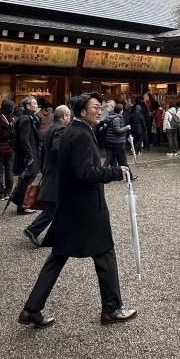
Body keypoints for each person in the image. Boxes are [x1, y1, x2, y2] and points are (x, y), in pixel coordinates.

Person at [19, 93, 135, 328]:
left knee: (58, 257)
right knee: (104, 254)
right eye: (95, 107)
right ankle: (111, 309)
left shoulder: (74, 131)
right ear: (82, 111)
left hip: (70, 206)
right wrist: (115, 171)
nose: (99, 110)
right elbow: (85, 172)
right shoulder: (81, 134)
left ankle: (32, 308)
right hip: (87, 208)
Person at [24, 104, 71, 246]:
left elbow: (44, 150)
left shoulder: (50, 128)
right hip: (56, 173)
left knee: (56, 206)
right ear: (64, 116)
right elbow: (58, 148)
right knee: (54, 207)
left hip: (49, 170)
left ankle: (57, 234)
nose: (70, 117)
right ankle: (33, 229)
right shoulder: (61, 129)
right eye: (68, 115)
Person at [10, 95, 42, 213]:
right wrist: (29, 156)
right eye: (34, 103)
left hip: (31, 151)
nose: (37, 105)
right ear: (28, 105)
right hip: (28, 154)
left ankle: (22, 202)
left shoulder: (30, 117)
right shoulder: (25, 119)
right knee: (26, 179)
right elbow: (24, 139)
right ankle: (22, 205)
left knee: (28, 178)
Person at [104, 102, 132, 168]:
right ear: (121, 111)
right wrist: (126, 127)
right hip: (117, 142)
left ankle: (105, 173)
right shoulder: (116, 119)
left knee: (110, 159)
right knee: (123, 160)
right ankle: (129, 176)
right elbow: (117, 131)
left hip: (111, 141)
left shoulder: (111, 117)